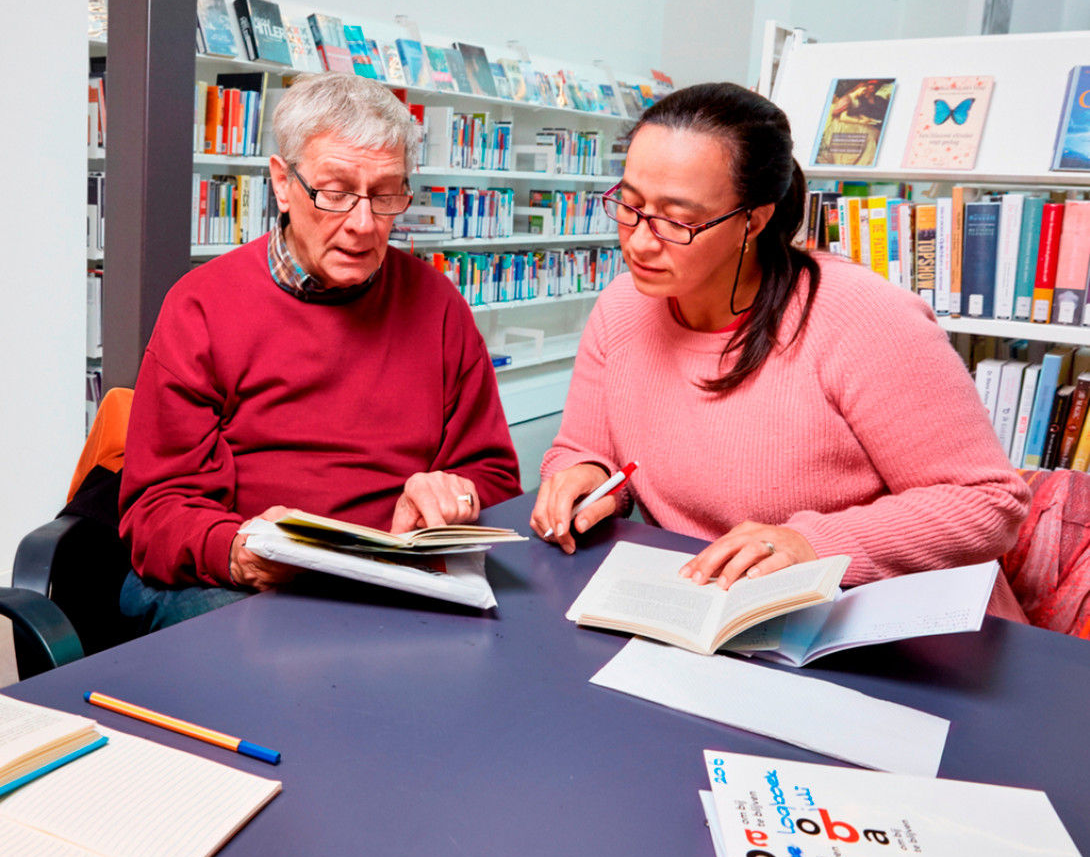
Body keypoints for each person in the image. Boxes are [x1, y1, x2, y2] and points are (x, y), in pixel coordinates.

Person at [531, 82, 1031, 619]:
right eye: (629, 205)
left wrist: (812, 544)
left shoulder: (862, 317)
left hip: (890, 629)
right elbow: (585, 450)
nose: (640, 240)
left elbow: (989, 503)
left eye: (677, 220)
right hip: (713, 613)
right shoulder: (621, 308)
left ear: (756, 219)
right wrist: (583, 477)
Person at [119, 72, 521, 629]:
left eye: (386, 196)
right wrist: (239, 550)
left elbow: (496, 478)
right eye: (335, 193)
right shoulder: (202, 307)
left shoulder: (437, 305)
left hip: (390, 577)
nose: (363, 225)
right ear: (283, 184)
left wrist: (456, 497)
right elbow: (156, 511)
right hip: (240, 583)